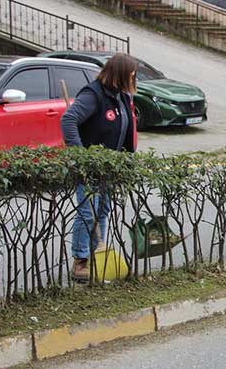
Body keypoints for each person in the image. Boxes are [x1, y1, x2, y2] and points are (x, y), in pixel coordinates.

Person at [60, 53, 137, 281]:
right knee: (87, 212)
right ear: (119, 74)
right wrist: (81, 155)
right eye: (130, 75)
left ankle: (96, 255)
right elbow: (68, 120)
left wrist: (126, 160)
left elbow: (125, 129)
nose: (132, 80)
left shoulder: (121, 97)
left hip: (109, 167)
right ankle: (80, 261)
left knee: (101, 211)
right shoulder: (93, 95)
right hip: (90, 167)